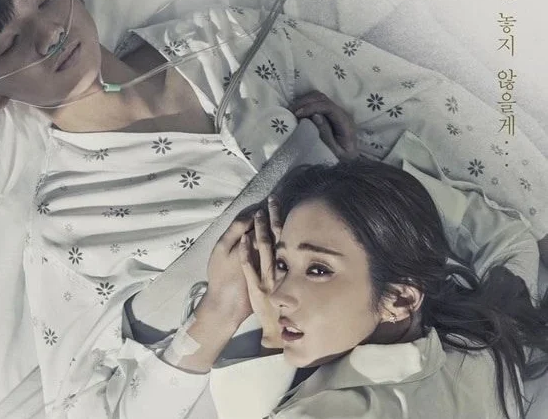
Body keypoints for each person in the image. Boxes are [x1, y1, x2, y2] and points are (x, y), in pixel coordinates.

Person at [0, 0, 546, 417]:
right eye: (10, 45)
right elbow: (85, 406)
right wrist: (214, 316)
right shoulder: (67, 224)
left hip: (458, 329)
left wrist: (353, 174)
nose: (49, 35)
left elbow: (413, 103)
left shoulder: (226, 40)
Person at [189, 159, 548, 419]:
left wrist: (268, 337)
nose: (277, 296)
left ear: (400, 299)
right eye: (281, 263)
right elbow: (513, 243)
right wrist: (370, 194)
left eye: (318, 270)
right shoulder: (484, 340)